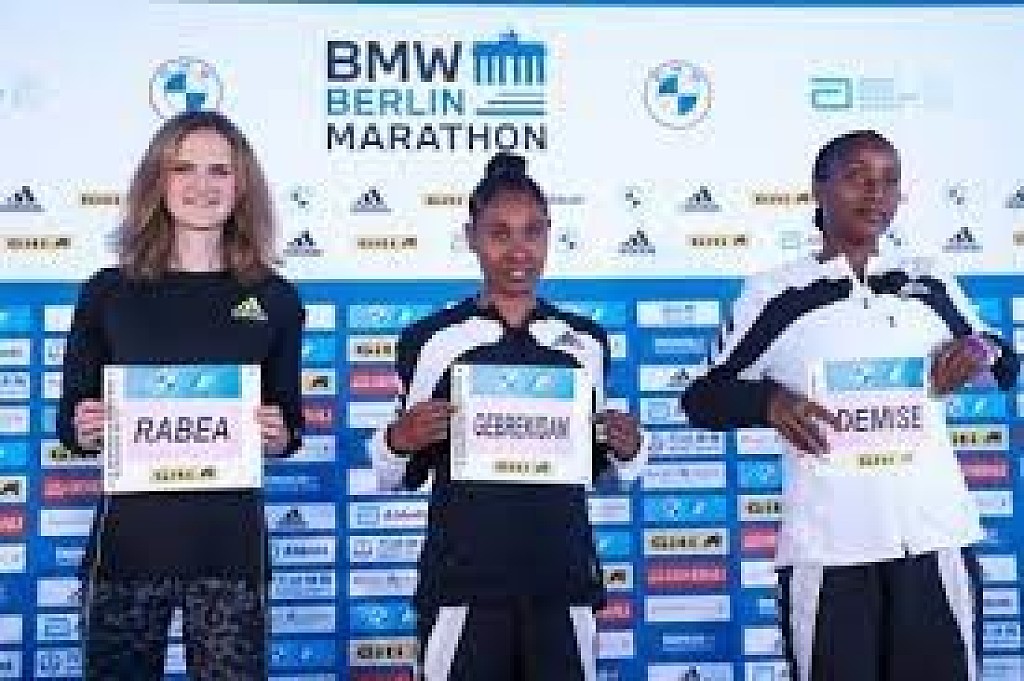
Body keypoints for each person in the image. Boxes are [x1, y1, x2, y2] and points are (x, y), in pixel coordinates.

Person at [681, 130, 1017, 681]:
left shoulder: (929, 280)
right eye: (857, 176)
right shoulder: (776, 294)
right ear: (819, 188)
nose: (875, 192)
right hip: (828, 555)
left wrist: (980, 350)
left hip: (936, 544)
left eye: (889, 179)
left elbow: (1003, 360)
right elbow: (701, 397)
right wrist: (767, 401)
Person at [370, 152, 643, 681]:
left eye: (532, 232)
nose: (519, 250)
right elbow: (395, 474)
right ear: (471, 237)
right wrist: (399, 440)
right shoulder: (432, 341)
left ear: (550, 236)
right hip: (464, 588)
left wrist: (628, 450)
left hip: (563, 583)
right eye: (499, 233)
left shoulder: (585, 342)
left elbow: (602, 469)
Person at [57, 110, 304, 680]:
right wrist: (86, 427)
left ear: (242, 185)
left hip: (230, 553)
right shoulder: (107, 294)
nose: (202, 185)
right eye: (184, 167)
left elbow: (289, 423)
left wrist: (279, 433)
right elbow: (69, 423)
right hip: (126, 551)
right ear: (158, 180)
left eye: (220, 170)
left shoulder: (275, 298)